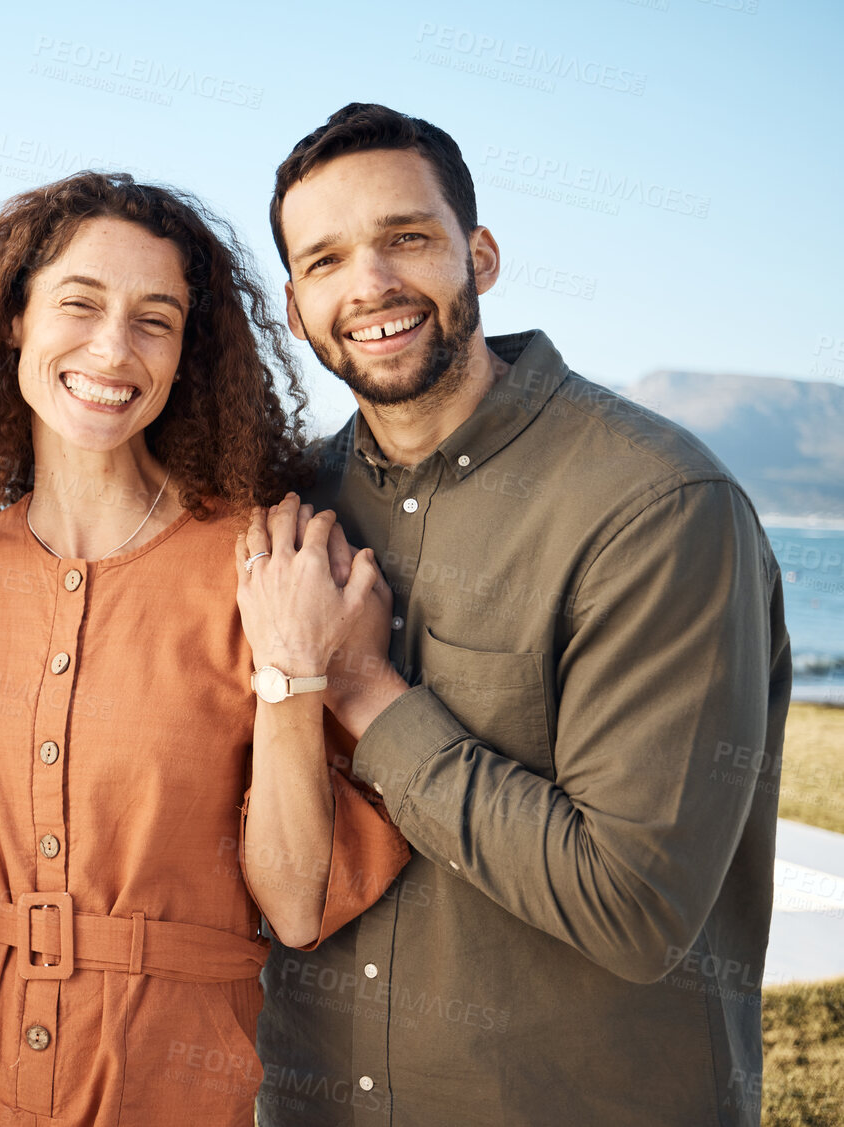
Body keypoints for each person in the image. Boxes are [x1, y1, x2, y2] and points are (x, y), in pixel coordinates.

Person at [245, 103, 787, 1126]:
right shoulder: (289, 511)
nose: (371, 285)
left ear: (479, 256)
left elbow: (634, 907)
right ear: (294, 307)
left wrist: (364, 687)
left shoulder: (655, 504)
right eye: (327, 260)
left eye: (407, 238)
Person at [0, 172, 411, 1126]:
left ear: (184, 355)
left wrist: (288, 667)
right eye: (78, 304)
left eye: (154, 319)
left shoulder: (262, 563)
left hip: (178, 1079)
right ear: (13, 321)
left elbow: (294, 905)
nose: (112, 349)